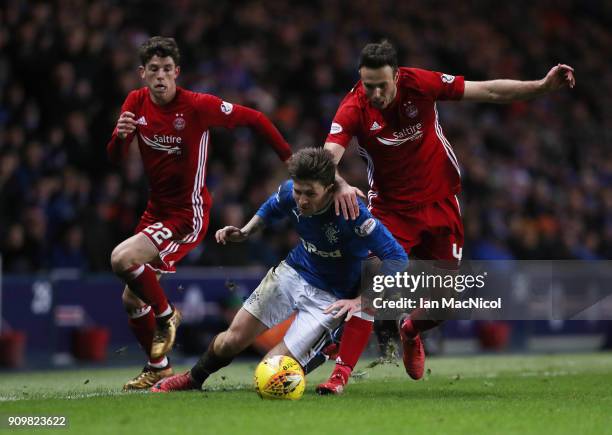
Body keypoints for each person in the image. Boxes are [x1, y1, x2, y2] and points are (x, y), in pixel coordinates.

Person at [317, 40, 576, 394]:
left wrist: (542, 86)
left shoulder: (420, 84)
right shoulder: (354, 107)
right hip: (391, 211)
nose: (375, 92)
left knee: (444, 302)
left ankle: (410, 331)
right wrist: (341, 183)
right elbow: (326, 158)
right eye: (368, 85)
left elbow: (487, 91)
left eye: (382, 84)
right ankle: (339, 376)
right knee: (372, 284)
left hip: (440, 203)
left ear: (397, 76)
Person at [107, 36, 292, 390]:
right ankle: (158, 366)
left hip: (186, 216)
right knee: (131, 298)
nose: (160, 76)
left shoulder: (196, 106)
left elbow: (254, 118)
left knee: (121, 259)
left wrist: (288, 159)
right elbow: (115, 159)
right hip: (155, 211)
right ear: (142, 74)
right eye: (153, 70)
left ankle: (166, 316)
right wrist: (119, 137)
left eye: (166, 69)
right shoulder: (135, 102)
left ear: (176, 72)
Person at [150, 147, 407, 393]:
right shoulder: (289, 193)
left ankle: (320, 349)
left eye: (310, 194)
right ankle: (192, 379)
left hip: (329, 299)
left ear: (330, 189)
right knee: (232, 339)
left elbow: (397, 257)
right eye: (299, 192)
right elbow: (271, 209)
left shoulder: (354, 213)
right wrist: (245, 232)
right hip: (292, 273)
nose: (302, 200)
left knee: (270, 372)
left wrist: (361, 300)